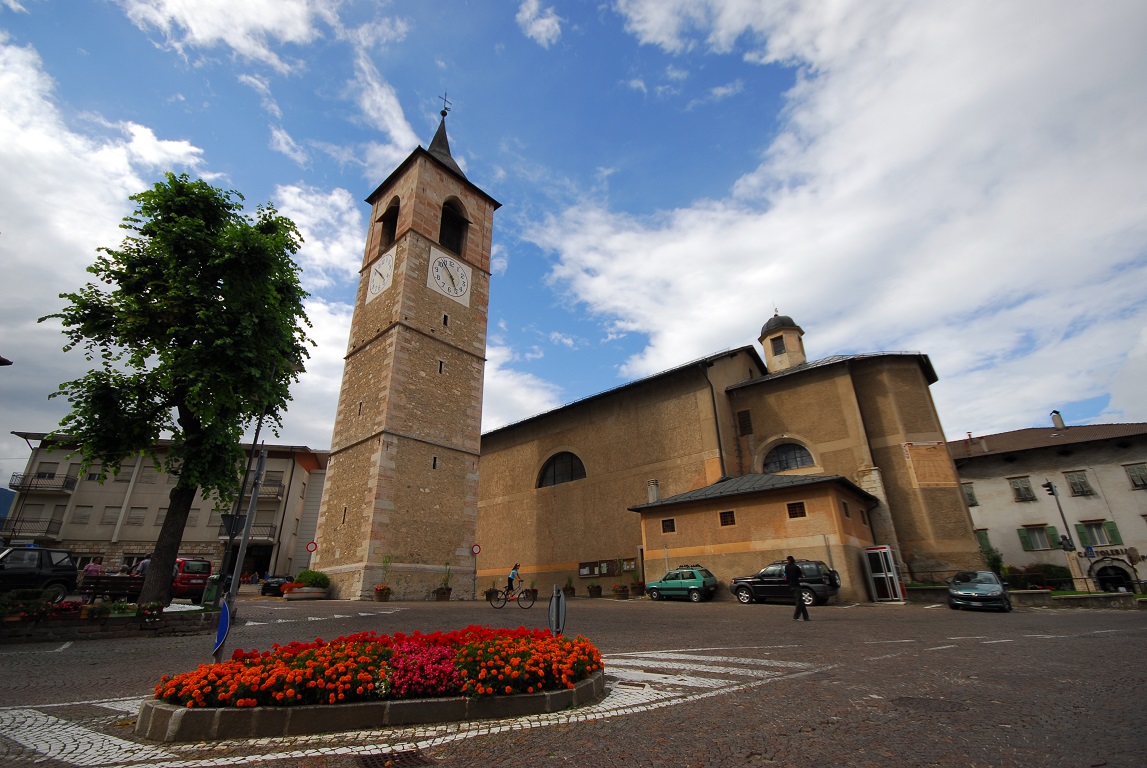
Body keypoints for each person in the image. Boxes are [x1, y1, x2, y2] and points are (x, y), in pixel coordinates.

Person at [785, 555, 809, 621]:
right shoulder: (796, 567)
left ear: (788, 560)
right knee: (799, 601)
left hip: (791, 586)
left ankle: (806, 617)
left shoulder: (786, 567)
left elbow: (786, 575)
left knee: (801, 601)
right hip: (796, 585)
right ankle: (796, 616)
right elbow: (801, 575)